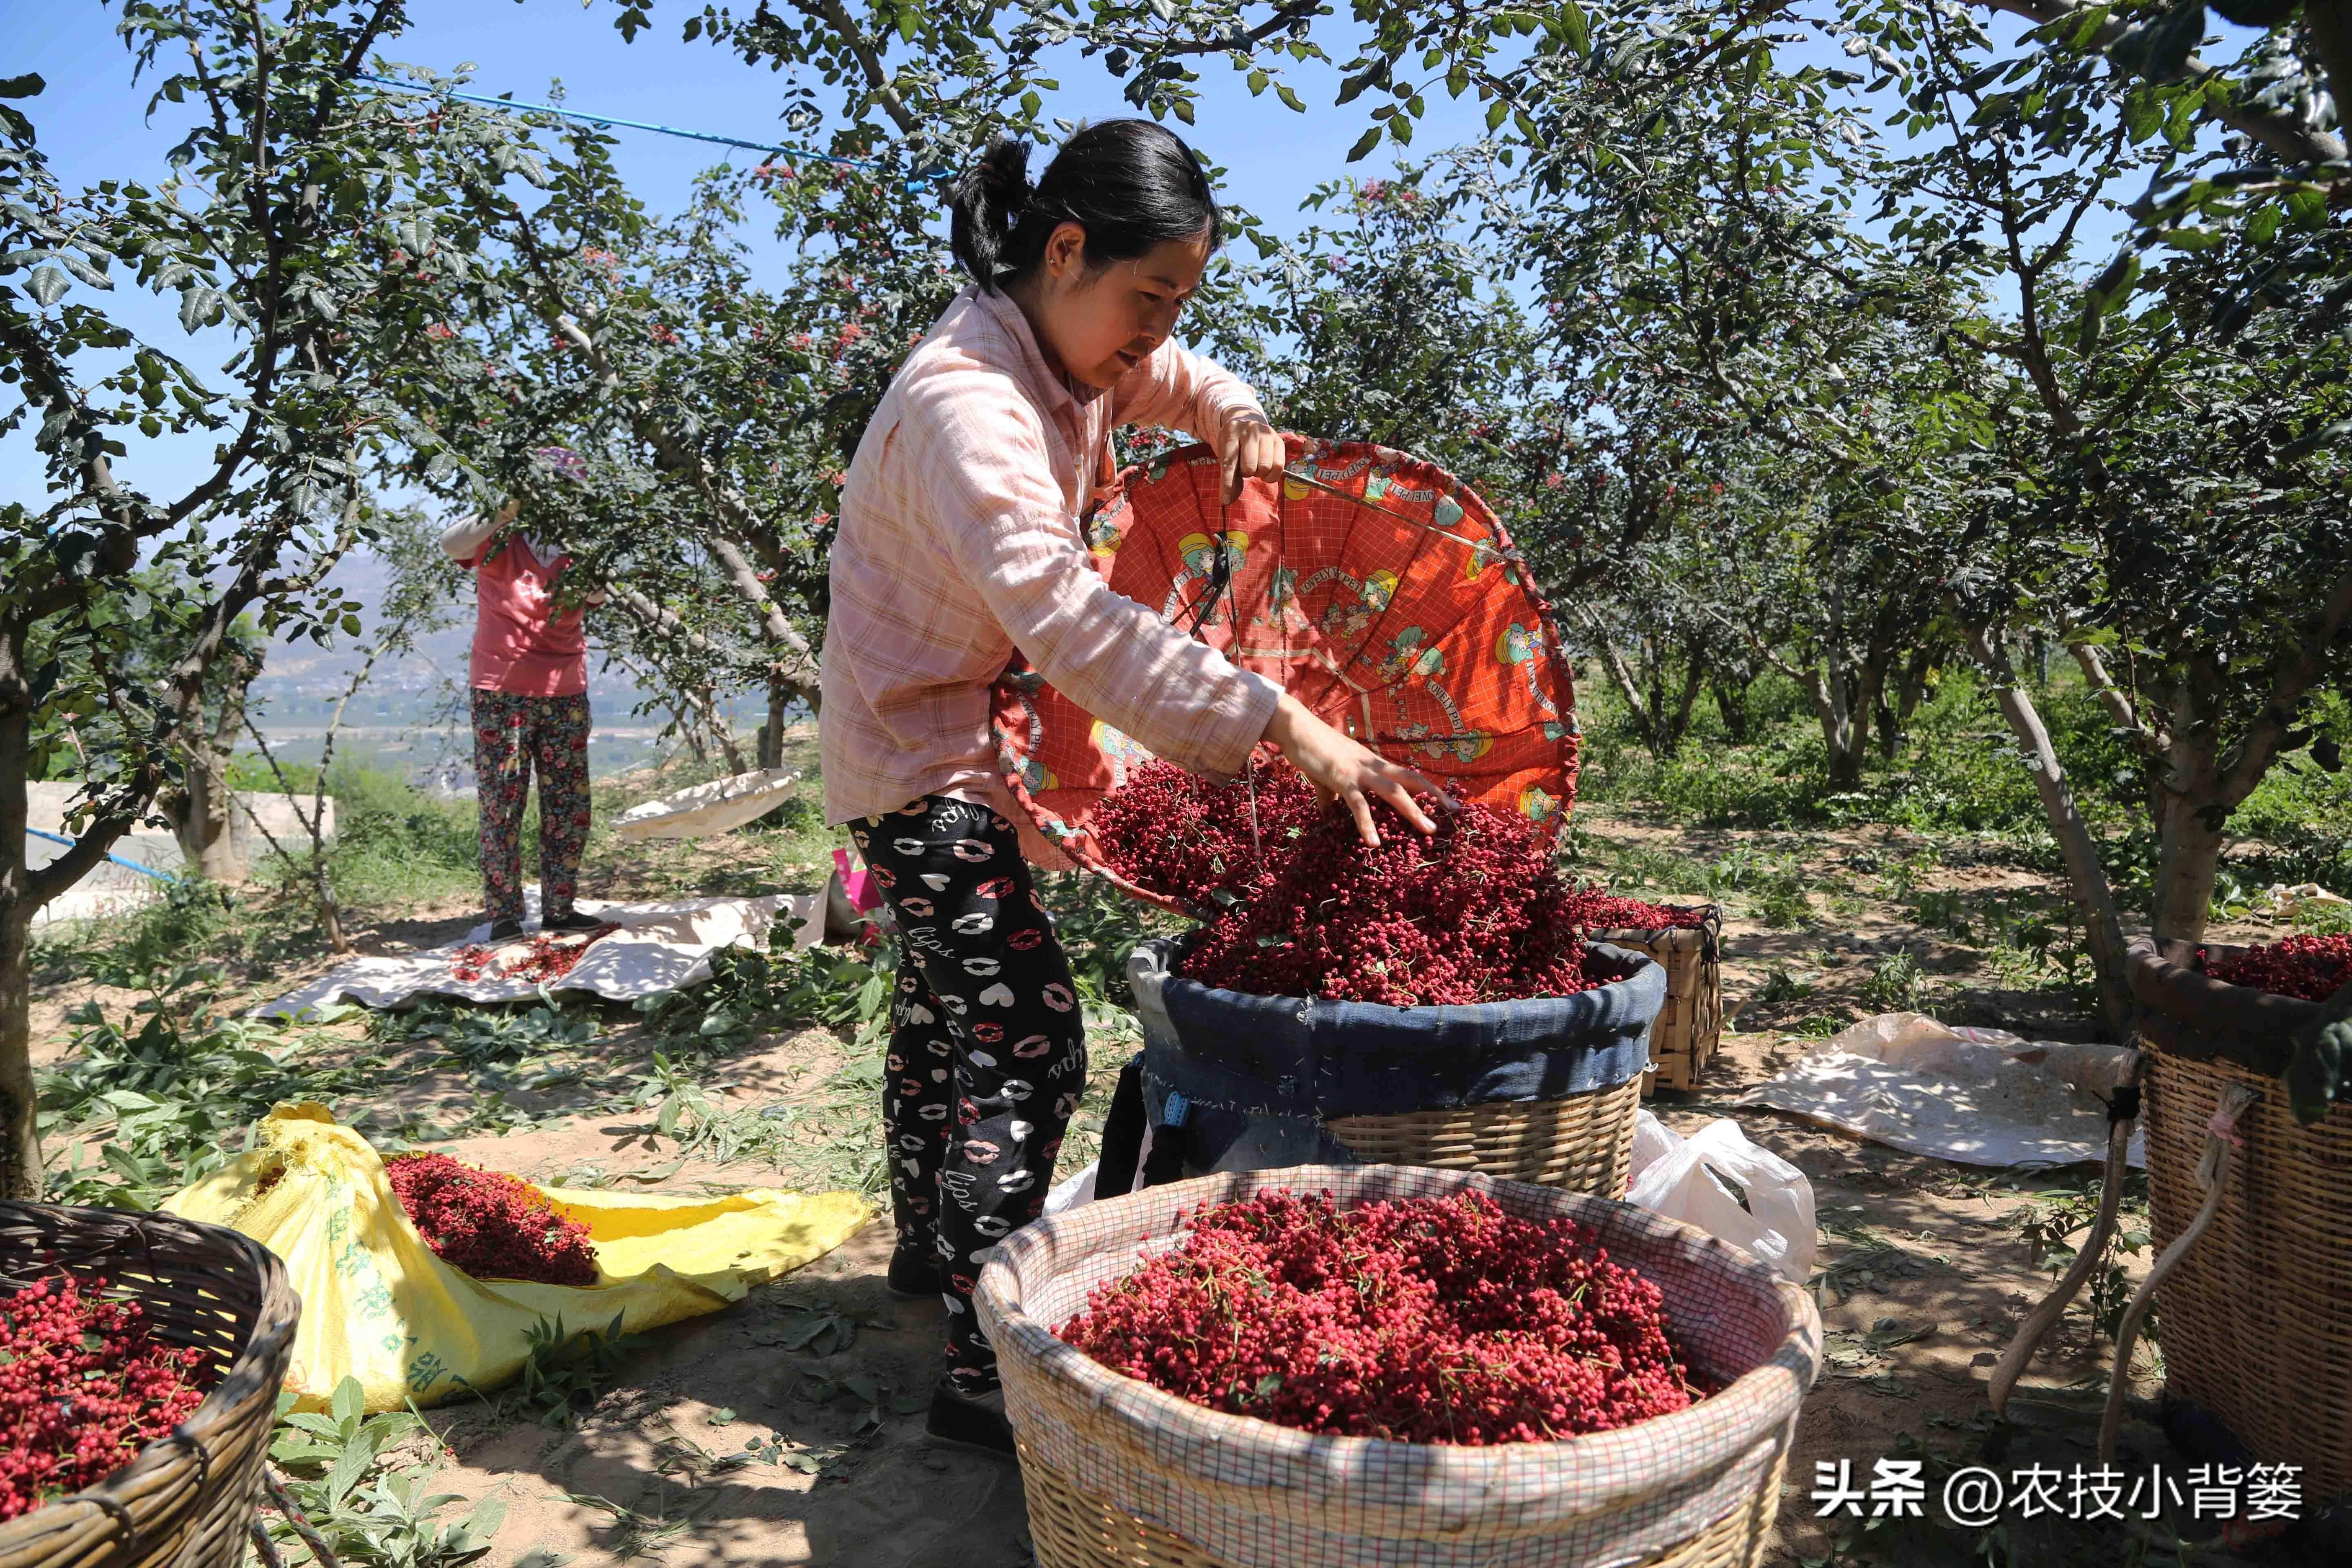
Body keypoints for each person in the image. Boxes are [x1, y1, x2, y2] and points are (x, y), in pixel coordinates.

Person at [820, 120, 1447, 1456]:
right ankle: (982, 1370)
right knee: (1027, 1035)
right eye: (1145, 294)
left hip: (953, 728)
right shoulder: (969, 403)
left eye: (1179, 300)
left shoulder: (1074, 343)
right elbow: (1060, 615)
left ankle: (931, 1255)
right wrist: (1285, 730)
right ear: (1063, 251)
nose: (1155, 328)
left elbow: (1173, 374)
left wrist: (1237, 416)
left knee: (947, 1007)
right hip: (916, 746)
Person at [439, 499, 608, 940]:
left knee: (569, 806)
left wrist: (581, 546)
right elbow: (449, 543)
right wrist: (502, 512)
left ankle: (559, 909)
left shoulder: (579, 548)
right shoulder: (498, 541)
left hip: (565, 690)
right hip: (502, 693)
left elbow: (597, 594)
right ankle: (505, 916)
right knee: (503, 803)